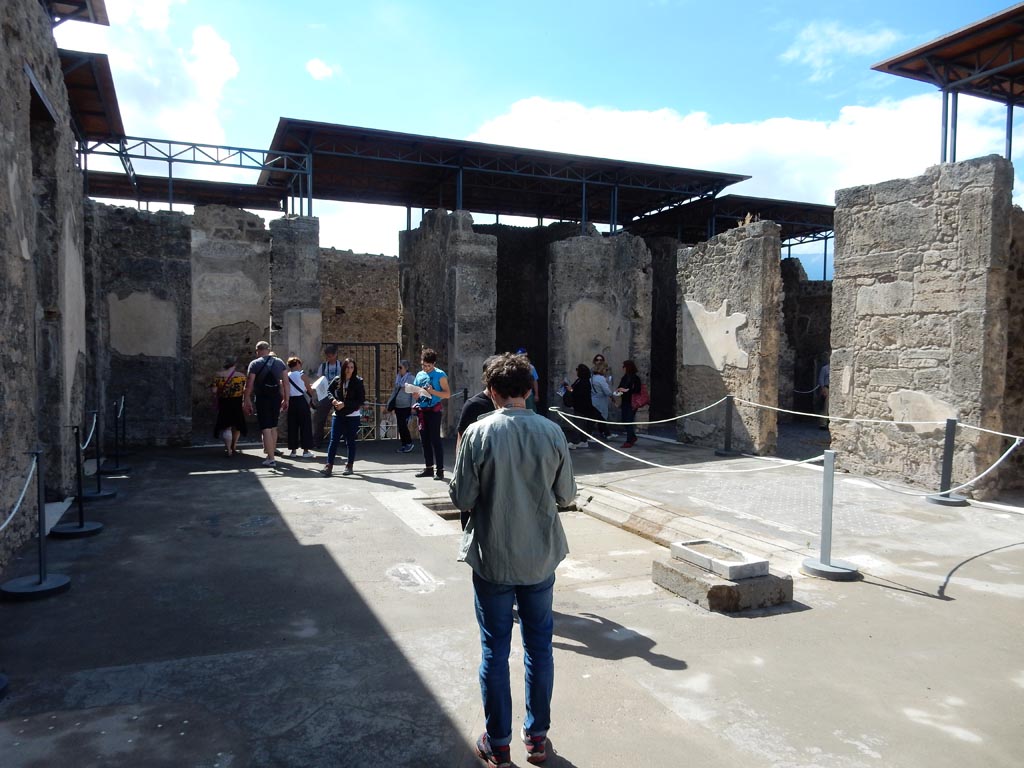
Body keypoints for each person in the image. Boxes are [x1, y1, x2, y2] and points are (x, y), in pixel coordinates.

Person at [449, 353, 576, 768]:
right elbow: (567, 495)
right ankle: (536, 738)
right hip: (539, 555)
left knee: (495, 651)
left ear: (491, 391)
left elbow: (462, 497)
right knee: (540, 648)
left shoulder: (478, 432)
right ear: (530, 389)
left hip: (494, 555)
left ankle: (498, 743)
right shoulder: (552, 431)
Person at [456, 356, 500, 530]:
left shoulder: (511, 404)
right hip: (477, 477)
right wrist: (462, 483)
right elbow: (461, 441)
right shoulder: (473, 405)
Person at [243, 341, 289, 468]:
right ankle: (270, 455)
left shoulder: (254, 364)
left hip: (262, 398)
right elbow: (286, 383)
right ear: (269, 350)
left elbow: (249, 385)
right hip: (276, 398)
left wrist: (246, 399)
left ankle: (271, 458)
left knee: (266, 428)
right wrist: (286, 399)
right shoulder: (280, 362)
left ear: (257, 350)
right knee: (273, 427)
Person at [320, 357, 365, 477]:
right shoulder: (337, 380)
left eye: (351, 367)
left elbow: (361, 400)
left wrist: (345, 404)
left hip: (352, 415)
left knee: (350, 441)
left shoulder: (358, 382)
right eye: (347, 367)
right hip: (338, 414)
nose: (349, 370)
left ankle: (349, 465)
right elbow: (329, 391)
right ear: (343, 368)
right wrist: (333, 400)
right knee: (334, 440)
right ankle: (329, 465)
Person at [411, 348, 450, 480]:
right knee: (424, 441)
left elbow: (447, 394)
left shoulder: (440, 375)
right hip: (422, 411)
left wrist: (433, 392)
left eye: (428, 366)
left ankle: (440, 470)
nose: (426, 368)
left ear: (434, 364)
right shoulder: (419, 375)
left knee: (435, 440)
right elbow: (416, 391)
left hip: (434, 411)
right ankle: (428, 468)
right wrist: (415, 394)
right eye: (423, 365)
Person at [210, 356, 247, 456]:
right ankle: (234, 446)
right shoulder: (241, 376)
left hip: (224, 402)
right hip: (237, 402)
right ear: (235, 364)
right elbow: (245, 390)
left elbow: (214, 391)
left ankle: (228, 449)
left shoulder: (218, 375)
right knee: (237, 426)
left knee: (227, 427)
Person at [564, 364, 603, 449]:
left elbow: (580, 394)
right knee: (581, 425)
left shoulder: (584, 382)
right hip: (580, 406)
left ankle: (574, 442)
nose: (576, 371)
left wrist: (571, 390)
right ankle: (583, 441)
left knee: (577, 425)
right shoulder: (579, 380)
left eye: (577, 369)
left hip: (582, 407)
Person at [312, 345, 344, 448]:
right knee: (320, 418)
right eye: (327, 356)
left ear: (335, 354)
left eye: (331, 356)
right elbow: (319, 380)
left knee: (342, 417)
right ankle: (317, 441)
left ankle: (343, 439)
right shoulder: (323, 366)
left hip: (339, 394)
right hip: (325, 395)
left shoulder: (341, 365)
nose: (329, 358)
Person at [285, 357, 315, 458]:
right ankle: (306, 451)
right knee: (305, 425)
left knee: (292, 426)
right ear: (297, 364)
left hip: (291, 401)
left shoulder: (286, 376)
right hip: (301, 401)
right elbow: (310, 390)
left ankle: (293, 451)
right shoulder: (302, 375)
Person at [386, 359, 416, 453]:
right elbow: (395, 391)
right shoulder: (398, 378)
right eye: (398, 367)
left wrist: (413, 406)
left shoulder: (411, 379)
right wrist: (390, 403)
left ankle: (409, 443)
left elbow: (414, 393)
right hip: (398, 406)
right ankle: (404, 444)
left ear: (406, 368)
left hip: (406, 406)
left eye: (400, 367)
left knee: (403, 425)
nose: (399, 369)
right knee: (400, 426)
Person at [614, 359, 642, 449]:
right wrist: (619, 390)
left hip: (632, 402)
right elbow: (620, 386)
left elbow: (637, 390)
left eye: (624, 366)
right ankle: (632, 437)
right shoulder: (625, 377)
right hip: (625, 401)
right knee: (624, 420)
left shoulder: (635, 378)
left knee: (629, 421)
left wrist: (626, 390)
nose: (623, 368)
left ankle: (629, 440)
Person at [589, 365, 613, 440]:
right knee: (601, 417)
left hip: (593, 399)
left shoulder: (591, 378)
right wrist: (612, 394)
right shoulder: (601, 378)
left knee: (596, 417)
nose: (606, 371)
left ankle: (604, 432)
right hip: (601, 400)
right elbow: (606, 391)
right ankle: (605, 433)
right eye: (606, 370)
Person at [516, 348, 540, 412]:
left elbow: (535, 381)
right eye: (520, 356)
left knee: (530, 412)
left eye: (523, 356)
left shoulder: (531, 368)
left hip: (529, 395)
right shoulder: (514, 368)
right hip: (517, 395)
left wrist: (536, 395)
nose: (521, 358)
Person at [817, 360, 831, 430]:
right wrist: (823, 389)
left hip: (833, 388)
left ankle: (829, 422)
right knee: (825, 407)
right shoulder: (824, 368)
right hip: (826, 388)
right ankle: (823, 424)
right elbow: (821, 379)